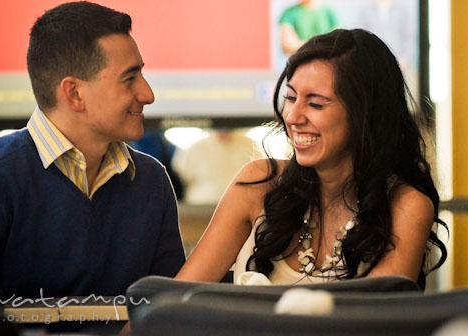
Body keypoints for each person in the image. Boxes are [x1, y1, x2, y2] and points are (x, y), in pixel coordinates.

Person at [0, 1, 185, 297]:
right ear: (74, 93)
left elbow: (169, 314)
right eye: (130, 78)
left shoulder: (151, 181)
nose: (148, 94)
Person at [176, 29, 447, 286]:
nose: (293, 117)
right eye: (291, 97)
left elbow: (372, 323)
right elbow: (177, 300)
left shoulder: (405, 204)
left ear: (366, 115)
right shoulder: (257, 183)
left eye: (316, 103)